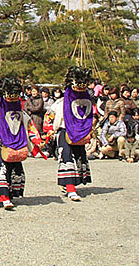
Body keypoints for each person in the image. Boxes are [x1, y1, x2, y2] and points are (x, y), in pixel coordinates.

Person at [0, 77, 44, 209]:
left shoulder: (22, 114)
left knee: (13, 171)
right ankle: (3, 196)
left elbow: (30, 127)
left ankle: (10, 194)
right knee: (0, 171)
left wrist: (37, 141)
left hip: (16, 145)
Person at [52, 66, 94, 201]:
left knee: (76, 157)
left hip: (74, 132)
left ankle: (70, 185)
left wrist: (54, 129)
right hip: (68, 132)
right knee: (68, 158)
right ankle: (70, 188)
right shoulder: (65, 102)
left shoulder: (63, 102)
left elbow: (56, 121)